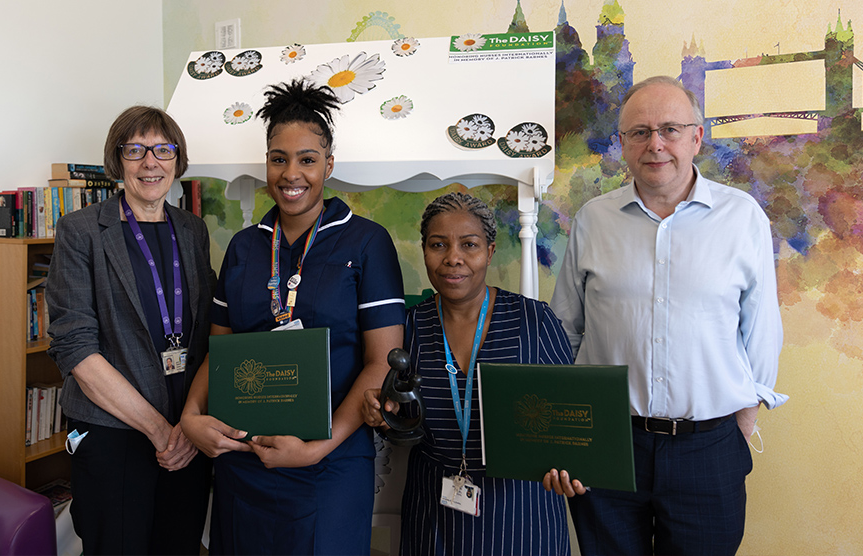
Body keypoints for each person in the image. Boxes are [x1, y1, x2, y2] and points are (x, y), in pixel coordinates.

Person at [548, 76, 787, 555]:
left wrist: (742, 422)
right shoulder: (594, 219)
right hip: (608, 443)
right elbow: (564, 331)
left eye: (670, 129)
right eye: (639, 132)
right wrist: (566, 437)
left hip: (709, 447)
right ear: (622, 144)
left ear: (696, 138)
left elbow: (761, 329)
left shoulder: (742, 218)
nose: (655, 144)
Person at [180, 78, 405, 555]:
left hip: (330, 462)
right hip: (245, 459)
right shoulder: (244, 247)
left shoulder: (365, 242)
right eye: (278, 159)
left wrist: (316, 448)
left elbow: (381, 359)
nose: (291, 173)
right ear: (266, 162)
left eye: (307, 159)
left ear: (328, 164)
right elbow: (219, 351)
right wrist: (191, 415)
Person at [363, 192, 585, 556]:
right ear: (424, 250)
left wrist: (571, 469)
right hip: (433, 513)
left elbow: (570, 417)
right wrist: (380, 414)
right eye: (438, 245)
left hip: (522, 513)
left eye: (469, 244)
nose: (453, 258)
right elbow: (401, 416)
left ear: (490, 251)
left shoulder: (535, 320)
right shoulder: (408, 326)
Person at [46, 106, 215, 555]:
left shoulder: (193, 230)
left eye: (163, 149)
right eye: (135, 150)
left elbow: (204, 334)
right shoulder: (81, 231)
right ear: (117, 161)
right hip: (115, 433)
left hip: (188, 427)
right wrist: (161, 432)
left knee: (178, 545)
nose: (150, 162)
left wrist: (188, 426)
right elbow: (76, 347)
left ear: (177, 160)